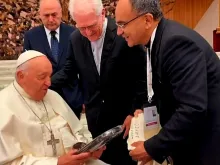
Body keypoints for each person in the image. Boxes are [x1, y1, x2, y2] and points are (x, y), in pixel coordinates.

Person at [115, 0, 220, 164]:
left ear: (147, 20)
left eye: (122, 24)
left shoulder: (175, 43)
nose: (119, 32)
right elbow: (165, 87)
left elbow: (192, 109)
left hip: (205, 145)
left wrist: (152, 148)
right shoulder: (157, 39)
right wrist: (146, 109)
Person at [50, 0, 147, 164]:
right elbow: (69, 71)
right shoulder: (75, 39)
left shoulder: (123, 33)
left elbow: (142, 76)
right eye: (82, 28)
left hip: (125, 119)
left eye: (91, 26)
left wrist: (134, 111)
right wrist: (45, 83)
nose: (87, 33)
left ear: (102, 14)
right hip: (96, 120)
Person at [0, 50, 107, 165]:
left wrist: (87, 150)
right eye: (42, 77)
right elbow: (9, 162)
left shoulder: (53, 96)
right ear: (21, 76)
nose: (49, 83)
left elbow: (77, 133)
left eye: (49, 76)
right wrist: (58, 162)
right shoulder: (4, 105)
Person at [23, 0, 83, 119]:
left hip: (71, 100)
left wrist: (84, 98)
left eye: (54, 15)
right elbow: (27, 68)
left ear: (61, 13)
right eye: (46, 15)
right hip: (43, 100)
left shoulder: (75, 34)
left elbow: (81, 67)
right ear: (40, 14)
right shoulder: (31, 37)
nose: (51, 19)